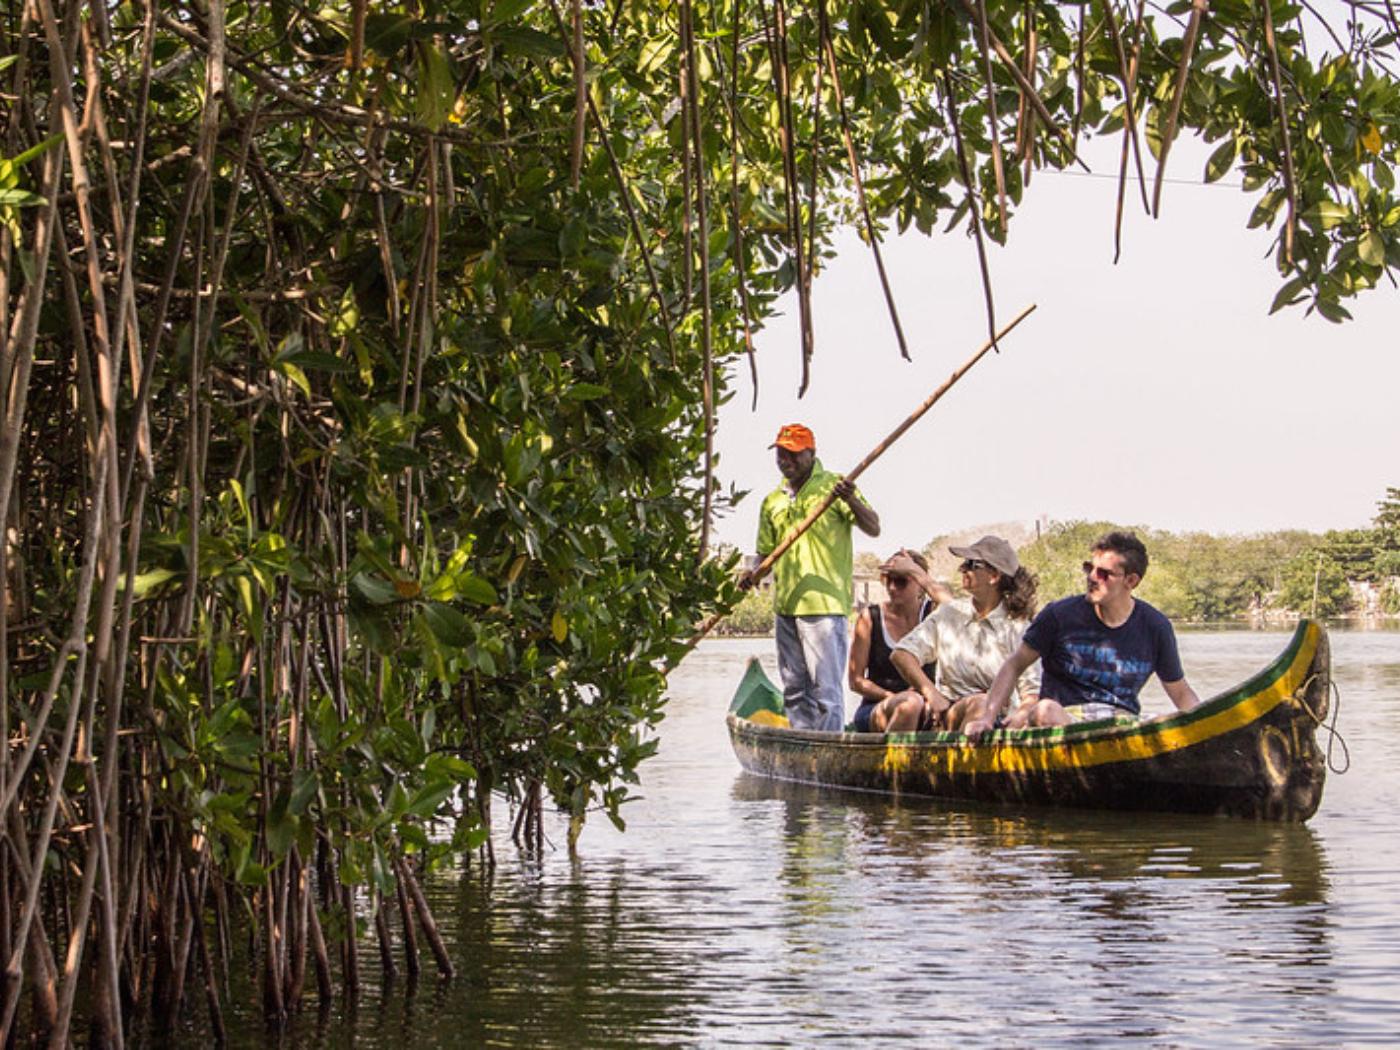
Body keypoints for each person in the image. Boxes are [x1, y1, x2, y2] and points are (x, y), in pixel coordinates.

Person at [963, 530, 1202, 739]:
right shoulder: (1059, 615)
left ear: (1131, 581)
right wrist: (987, 718)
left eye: (1104, 574)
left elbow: (1180, 692)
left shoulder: (1155, 626)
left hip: (1122, 724)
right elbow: (1014, 665)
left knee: (1163, 723)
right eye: (1090, 568)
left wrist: (1203, 727)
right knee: (1044, 710)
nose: (1091, 578)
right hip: (1063, 718)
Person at [749, 423, 880, 731]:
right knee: (795, 690)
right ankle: (803, 746)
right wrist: (752, 572)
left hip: (824, 607)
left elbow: (873, 527)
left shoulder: (835, 486)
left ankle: (830, 745)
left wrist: (850, 500)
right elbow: (764, 553)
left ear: (811, 454)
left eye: (793, 454)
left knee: (827, 693)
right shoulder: (772, 501)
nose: (785, 461)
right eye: (781, 454)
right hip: (786, 607)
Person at [879, 536, 1041, 732]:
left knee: (982, 703)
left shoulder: (1018, 628)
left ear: (994, 576)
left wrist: (1018, 719)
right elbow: (902, 654)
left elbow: (1031, 694)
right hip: (950, 715)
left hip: (998, 723)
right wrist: (932, 694)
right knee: (979, 703)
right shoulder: (950, 613)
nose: (962, 568)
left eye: (971, 564)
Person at [847, 550, 938, 732]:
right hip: (878, 706)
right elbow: (855, 680)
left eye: (901, 581)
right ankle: (891, 760)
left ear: (920, 584)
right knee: (910, 705)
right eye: (888, 580)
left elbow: (956, 609)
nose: (892, 588)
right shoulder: (870, 618)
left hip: (928, 705)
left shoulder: (934, 614)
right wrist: (892, 697)